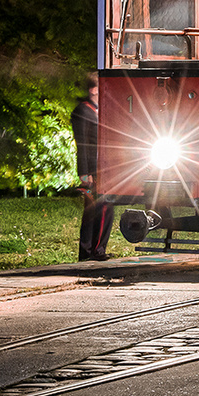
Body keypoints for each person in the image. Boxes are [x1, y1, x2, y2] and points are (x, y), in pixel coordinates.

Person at [73, 78, 112, 261]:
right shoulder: (82, 111)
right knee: (96, 209)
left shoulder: (100, 111)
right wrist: (84, 172)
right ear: (94, 90)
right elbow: (82, 143)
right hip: (92, 168)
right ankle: (90, 251)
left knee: (106, 208)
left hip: (104, 167)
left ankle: (97, 248)